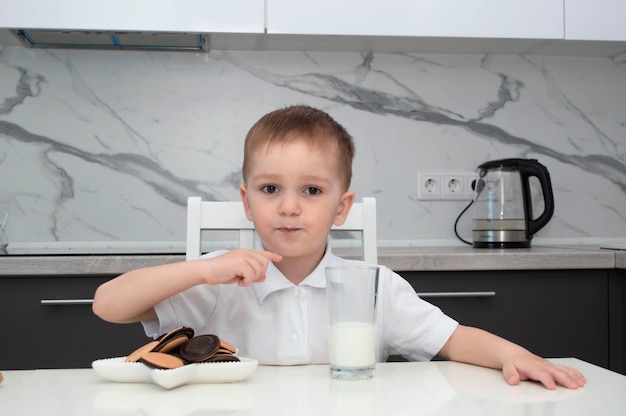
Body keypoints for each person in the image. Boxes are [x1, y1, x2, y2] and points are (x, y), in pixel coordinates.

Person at [93, 105, 586, 390]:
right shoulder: (217, 281)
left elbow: (453, 339)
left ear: (342, 206)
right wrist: (199, 271)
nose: (289, 207)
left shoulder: (373, 288)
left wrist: (514, 355)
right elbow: (107, 304)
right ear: (246, 203)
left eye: (311, 191)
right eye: (270, 190)